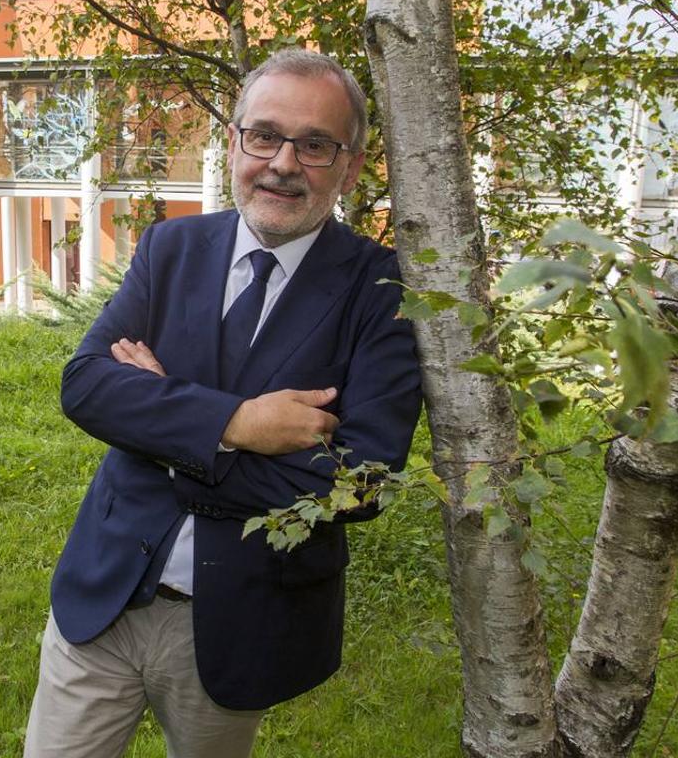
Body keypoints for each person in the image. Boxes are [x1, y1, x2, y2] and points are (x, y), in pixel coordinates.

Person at [24, 48, 423, 758]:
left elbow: (362, 480)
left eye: (316, 144)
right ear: (234, 140)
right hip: (105, 592)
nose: (282, 163)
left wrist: (166, 431)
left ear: (352, 165)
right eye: (263, 135)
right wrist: (240, 425)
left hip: (245, 615)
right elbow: (86, 385)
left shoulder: (380, 289)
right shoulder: (171, 247)